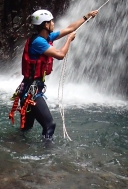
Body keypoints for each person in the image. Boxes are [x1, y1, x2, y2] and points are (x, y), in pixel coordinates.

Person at [9, 8, 98, 140]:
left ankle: (16, 148)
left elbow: (69, 28)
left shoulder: (45, 38)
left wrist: (86, 17)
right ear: (45, 24)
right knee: (50, 125)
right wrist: (68, 40)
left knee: (26, 127)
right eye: (51, 21)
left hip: (27, 90)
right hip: (32, 93)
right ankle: (47, 157)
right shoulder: (39, 42)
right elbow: (60, 55)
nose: (53, 23)